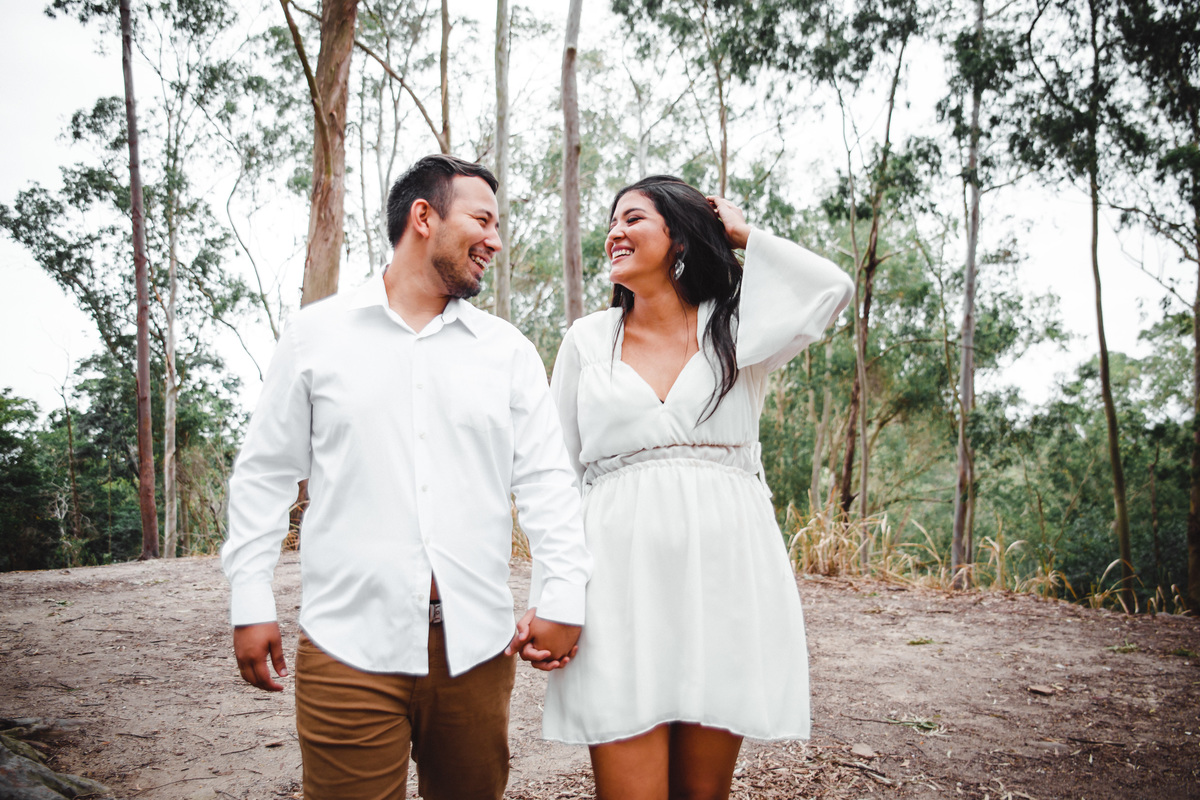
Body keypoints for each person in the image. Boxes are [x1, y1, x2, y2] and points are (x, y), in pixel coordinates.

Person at [221, 154, 592, 800]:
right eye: (483, 220)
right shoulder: (316, 337)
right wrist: (250, 598)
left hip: (476, 648)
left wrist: (564, 592)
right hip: (347, 644)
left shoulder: (506, 353)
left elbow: (547, 485)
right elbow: (264, 475)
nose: (496, 240)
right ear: (424, 217)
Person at [541, 175, 854, 799]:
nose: (615, 233)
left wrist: (743, 234)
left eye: (633, 219)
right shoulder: (585, 341)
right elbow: (558, 477)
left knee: (704, 794)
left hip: (726, 582)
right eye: (611, 222)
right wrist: (556, 596)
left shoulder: (738, 329)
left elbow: (832, 290)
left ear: (679, 237)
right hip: (619, 588)